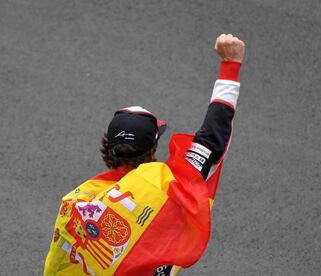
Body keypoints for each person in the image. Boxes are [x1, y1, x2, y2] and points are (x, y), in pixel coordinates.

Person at [44, 33, 245, 276]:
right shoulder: (172, 187)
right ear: (152, 148)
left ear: (108, 148)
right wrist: (230, 65)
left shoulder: (76, 203)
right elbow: (213, 137)